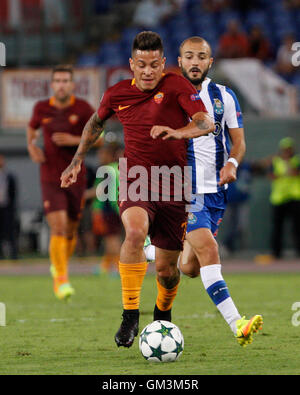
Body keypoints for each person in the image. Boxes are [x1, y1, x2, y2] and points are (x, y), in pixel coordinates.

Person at [60, 31, 215, 348]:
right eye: (141, 64)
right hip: (136, 177)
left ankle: (162, 314)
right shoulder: (117, 93)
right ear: (132, 64)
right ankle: (130, 316)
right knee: (133, 232)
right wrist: (77, 160)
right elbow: (95, 124)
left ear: (163, 64)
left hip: (173, 183)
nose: (148, 71)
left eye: (154, 65)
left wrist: (177, 131)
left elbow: (204, 122)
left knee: (167, 270)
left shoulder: (177, 86)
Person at [145, 36, 263, 347]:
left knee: (190, 267)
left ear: (210, 62)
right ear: (179, 61)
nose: (195, 62)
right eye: (189, 56)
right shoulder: (165, 97)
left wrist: (233, 163)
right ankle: (238, 324)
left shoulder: (224, 96)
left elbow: (239, 142)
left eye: (201, 57)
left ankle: (151, 249)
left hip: (216, 193)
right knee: (210, 250)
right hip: (183, 188)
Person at [27, 64, 97, 301]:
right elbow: (32, 128)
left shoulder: (83, 108)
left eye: (66, 80)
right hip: (50, 177)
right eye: (57, 80)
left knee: (70, 229)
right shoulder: (41, 108)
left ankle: (59, 266)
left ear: (72, 84)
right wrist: (31, 146)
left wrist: (74, 139)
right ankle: (61, 278)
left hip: (76, 177)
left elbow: (97, 139)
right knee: (57, 227)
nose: (61, 84)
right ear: (52, 84)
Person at [87, 144, 123, 274]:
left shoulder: (108, 170)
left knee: (112, 239)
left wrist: (82, 196)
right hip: (118, 208)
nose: (100, 157)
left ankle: (119, 268)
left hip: (109, 208)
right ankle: (105, 265)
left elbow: (99, 191)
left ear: (110, 155)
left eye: (102, 154)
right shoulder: (119, 168)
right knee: (111, 238)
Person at [268, 137, 300, 259]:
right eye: (285, 149)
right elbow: (271, 175)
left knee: (297, 227)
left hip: (294, 197)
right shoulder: (275, 161)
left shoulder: (296, 160)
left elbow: (295, 172)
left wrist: (287, 168)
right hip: (279, 198)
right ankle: (276, 253)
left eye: (289, 149)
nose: (287, 151)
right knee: (277, 228)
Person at [0, 155, 18, 260]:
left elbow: (13, 193)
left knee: (10, 231)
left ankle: (14, 254)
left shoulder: (9, 176)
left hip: (7, 208)